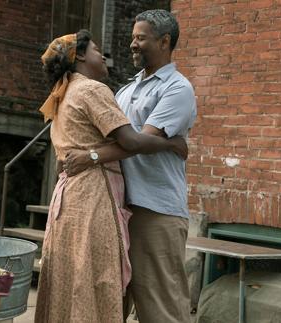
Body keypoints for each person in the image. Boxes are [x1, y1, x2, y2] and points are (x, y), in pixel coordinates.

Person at [34, 30, 188, 323]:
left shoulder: (62, 93)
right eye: (96, 50)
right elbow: (131, 141)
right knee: (96, 278)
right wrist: (171, 143)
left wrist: (88, 155)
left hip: (67, 199)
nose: (102, 56)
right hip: (93, 196)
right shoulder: (91, 90)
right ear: (78, 56)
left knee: (72, 279)